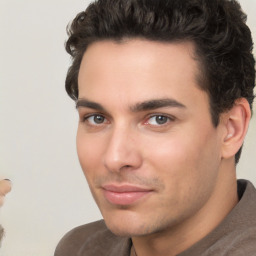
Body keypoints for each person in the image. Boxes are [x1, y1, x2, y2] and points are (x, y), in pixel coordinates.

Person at [55, 0, 256, 255]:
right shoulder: (81, 247)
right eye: (97, 118)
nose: (115, 158)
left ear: (231, 128)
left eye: (158, 119)